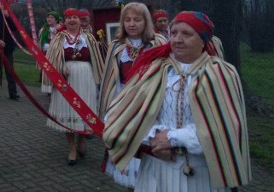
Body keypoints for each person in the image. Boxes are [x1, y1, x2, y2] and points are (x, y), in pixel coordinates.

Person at [103, 11, 251, 191]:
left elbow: (225, 128)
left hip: (201, 173)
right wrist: (154, 139)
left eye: (187, 34)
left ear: (204, 40)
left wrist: (173, 139)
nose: (177, 39)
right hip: (156, 168)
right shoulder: (155, 70)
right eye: (173, 33)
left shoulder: (219, 73)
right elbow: (123, 115)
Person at [99, 2, 167, 190]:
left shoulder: (158, 44)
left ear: (146, 22)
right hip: (123, 106)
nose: (132, 24)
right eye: (127, 20)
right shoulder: (116, 46)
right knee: (129, 157)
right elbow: (110, 79)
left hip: (149, 107)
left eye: (137, 20)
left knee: (148, 159)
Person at [43, 8, 104, 166]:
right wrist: (60, 66)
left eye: (75, 17)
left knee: (84, 108)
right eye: (69, 17)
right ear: (65, 21)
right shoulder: (58, 38)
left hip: (86, 77)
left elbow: (96, 59)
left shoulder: (89, 38)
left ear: (79, 20)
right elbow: (50, 59)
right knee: (68, 110)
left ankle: (82, 139)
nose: (72, 20)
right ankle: (71, 148)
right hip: (66, 80)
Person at [38, 10, 62, 94]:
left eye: (51, 17)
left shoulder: (60, 29)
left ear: (56, 20)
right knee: (47, 72)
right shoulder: (43, 29)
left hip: (56, 54)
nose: (49, 19)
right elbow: (40, 41)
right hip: (46, 53)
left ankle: (56, 88)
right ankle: (48, 90)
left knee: (55, 71)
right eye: (48, 17)